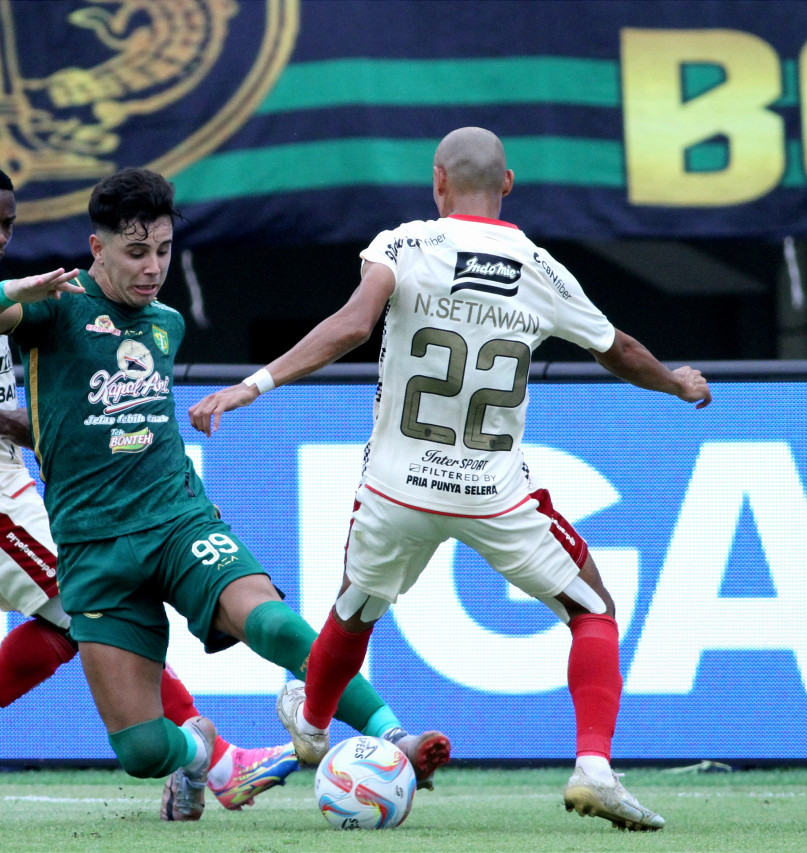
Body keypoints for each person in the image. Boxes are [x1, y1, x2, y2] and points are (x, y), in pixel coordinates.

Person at [189, 127, 714, 832]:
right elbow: (617, 349)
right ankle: (593, 768)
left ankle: (312, 727)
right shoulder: (542, 269)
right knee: (592, 612)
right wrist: (676, 383)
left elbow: (351, 325)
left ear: (438, 181)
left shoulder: (405, 245)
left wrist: (251, 385)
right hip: (493, 493)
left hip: (396, 488)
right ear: (509, 184)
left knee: (354, 610)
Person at [0, 167, 452, 810]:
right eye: (136, 252)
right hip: (91, 545)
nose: (153, 267)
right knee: (139, 751)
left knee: (270, 622)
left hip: (177, 519)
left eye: (162, 250)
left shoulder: (165, 322)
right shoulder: (55, 305)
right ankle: (196, 755)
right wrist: (9, 290)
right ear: (96, 247)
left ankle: (394, 736)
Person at [0, 160, 298, 818]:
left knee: (75, 621)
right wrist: (16, 421)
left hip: (1, 484)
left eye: (6, 225)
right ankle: (216, 763)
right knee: (94, 610)